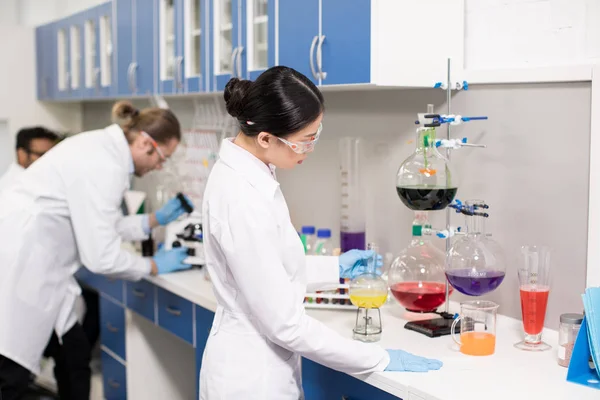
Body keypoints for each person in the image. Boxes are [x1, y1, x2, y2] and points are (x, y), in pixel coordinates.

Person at [199, 66, 443, 399]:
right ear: (266, 138)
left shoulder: (253, 172)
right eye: (305, 141)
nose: (311, 149)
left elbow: (271, 271)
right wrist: (375, 358)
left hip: (261, 362)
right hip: (250, 378)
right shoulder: (241, 198)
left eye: (316, 134)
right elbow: (284, 323)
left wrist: (335, 268)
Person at [0, 101, 194, 400]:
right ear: (146, 143)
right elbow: (100, 257)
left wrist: (152, 220)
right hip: (22, 271)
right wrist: (153, 266)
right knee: (10, 376)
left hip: (38, 266)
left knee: (74, 356)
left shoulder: (102, 150)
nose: (159, 167)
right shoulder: (105, 164)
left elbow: (102, 222)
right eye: (162, 158)